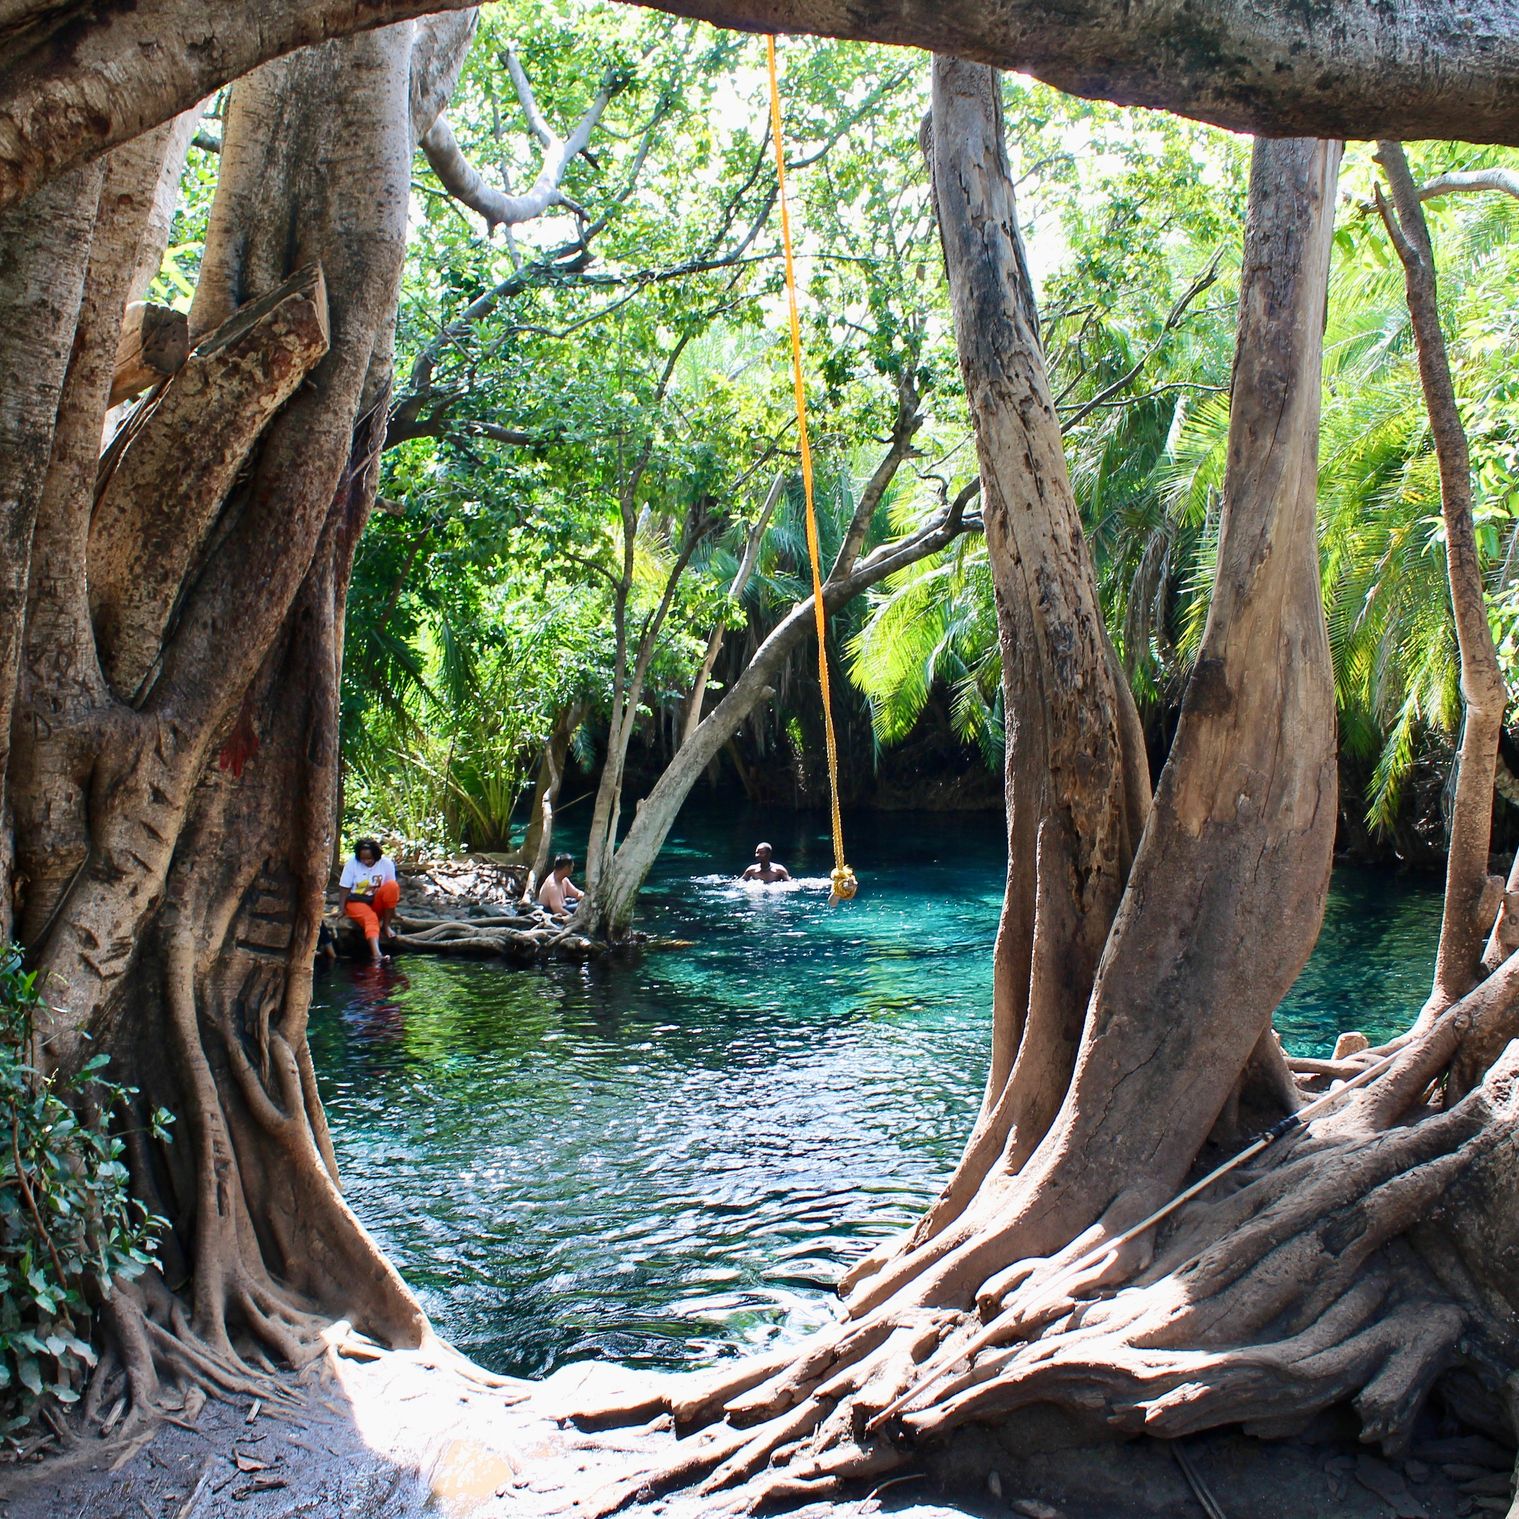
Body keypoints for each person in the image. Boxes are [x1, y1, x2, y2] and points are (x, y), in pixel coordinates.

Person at [339, 837, 400, 964]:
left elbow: (391, 890)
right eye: (363, 859)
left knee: (393, 886)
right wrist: (341, 908)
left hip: (376, 902)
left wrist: (393, 912)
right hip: (356, 902)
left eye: (369, 859)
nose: (366, 862)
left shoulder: (386, 864)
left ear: (376, 856)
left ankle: (386, 926)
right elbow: (344, 887)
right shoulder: (351, 864)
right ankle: (377, 955)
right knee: (370, 918)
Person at [537, 853, 583, 918]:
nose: (572, 870)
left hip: (563, 907)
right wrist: (574, 917)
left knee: (584, 903)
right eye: (572, 867)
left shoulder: (564, 880)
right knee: (582, 906)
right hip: (551, 912)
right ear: (566, 868)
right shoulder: (552, 885)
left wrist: (587, 897)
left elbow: (577, 893)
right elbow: (557, 910)